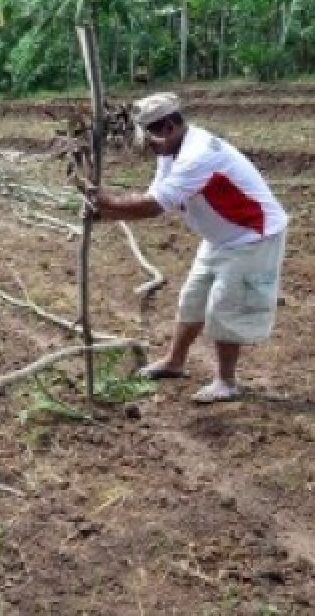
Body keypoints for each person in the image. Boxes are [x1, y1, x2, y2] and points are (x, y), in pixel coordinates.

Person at [77, 92, 288, 404]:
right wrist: (105, 214)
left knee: (225, 308)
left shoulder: (198, 155)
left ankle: (227, 382)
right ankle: (175, 362)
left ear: (171, 127)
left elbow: (154, 206)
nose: (148, 147)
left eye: (151, 138)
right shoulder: (170, 151)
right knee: (193, 298)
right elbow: (155, 196)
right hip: (220, 238)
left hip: (251, 236)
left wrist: (107, 202)